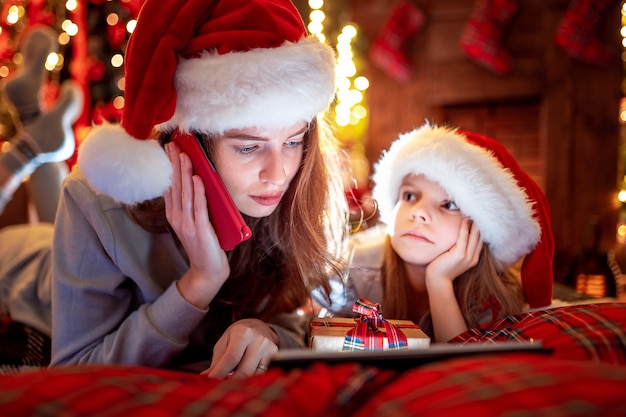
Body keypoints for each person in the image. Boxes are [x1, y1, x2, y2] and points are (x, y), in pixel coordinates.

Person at [1, 0, 348, 378]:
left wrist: (269, 332)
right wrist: (198, 283)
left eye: (294, 141)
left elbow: (295, 317)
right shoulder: (97, 198)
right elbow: (73, 370)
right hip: (17, 268)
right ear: (189, 142)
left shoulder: (289, 190)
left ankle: (37, 128)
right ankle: (29, 147)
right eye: (248, 147)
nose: (278, 174)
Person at [312, 123, 554, 343]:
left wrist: (439, 283)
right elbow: (322, 343)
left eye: (449, 205)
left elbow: (466, 372)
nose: (418, 212)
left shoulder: (492, 295)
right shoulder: (353, 271)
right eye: (409, 196)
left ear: (481, 230)